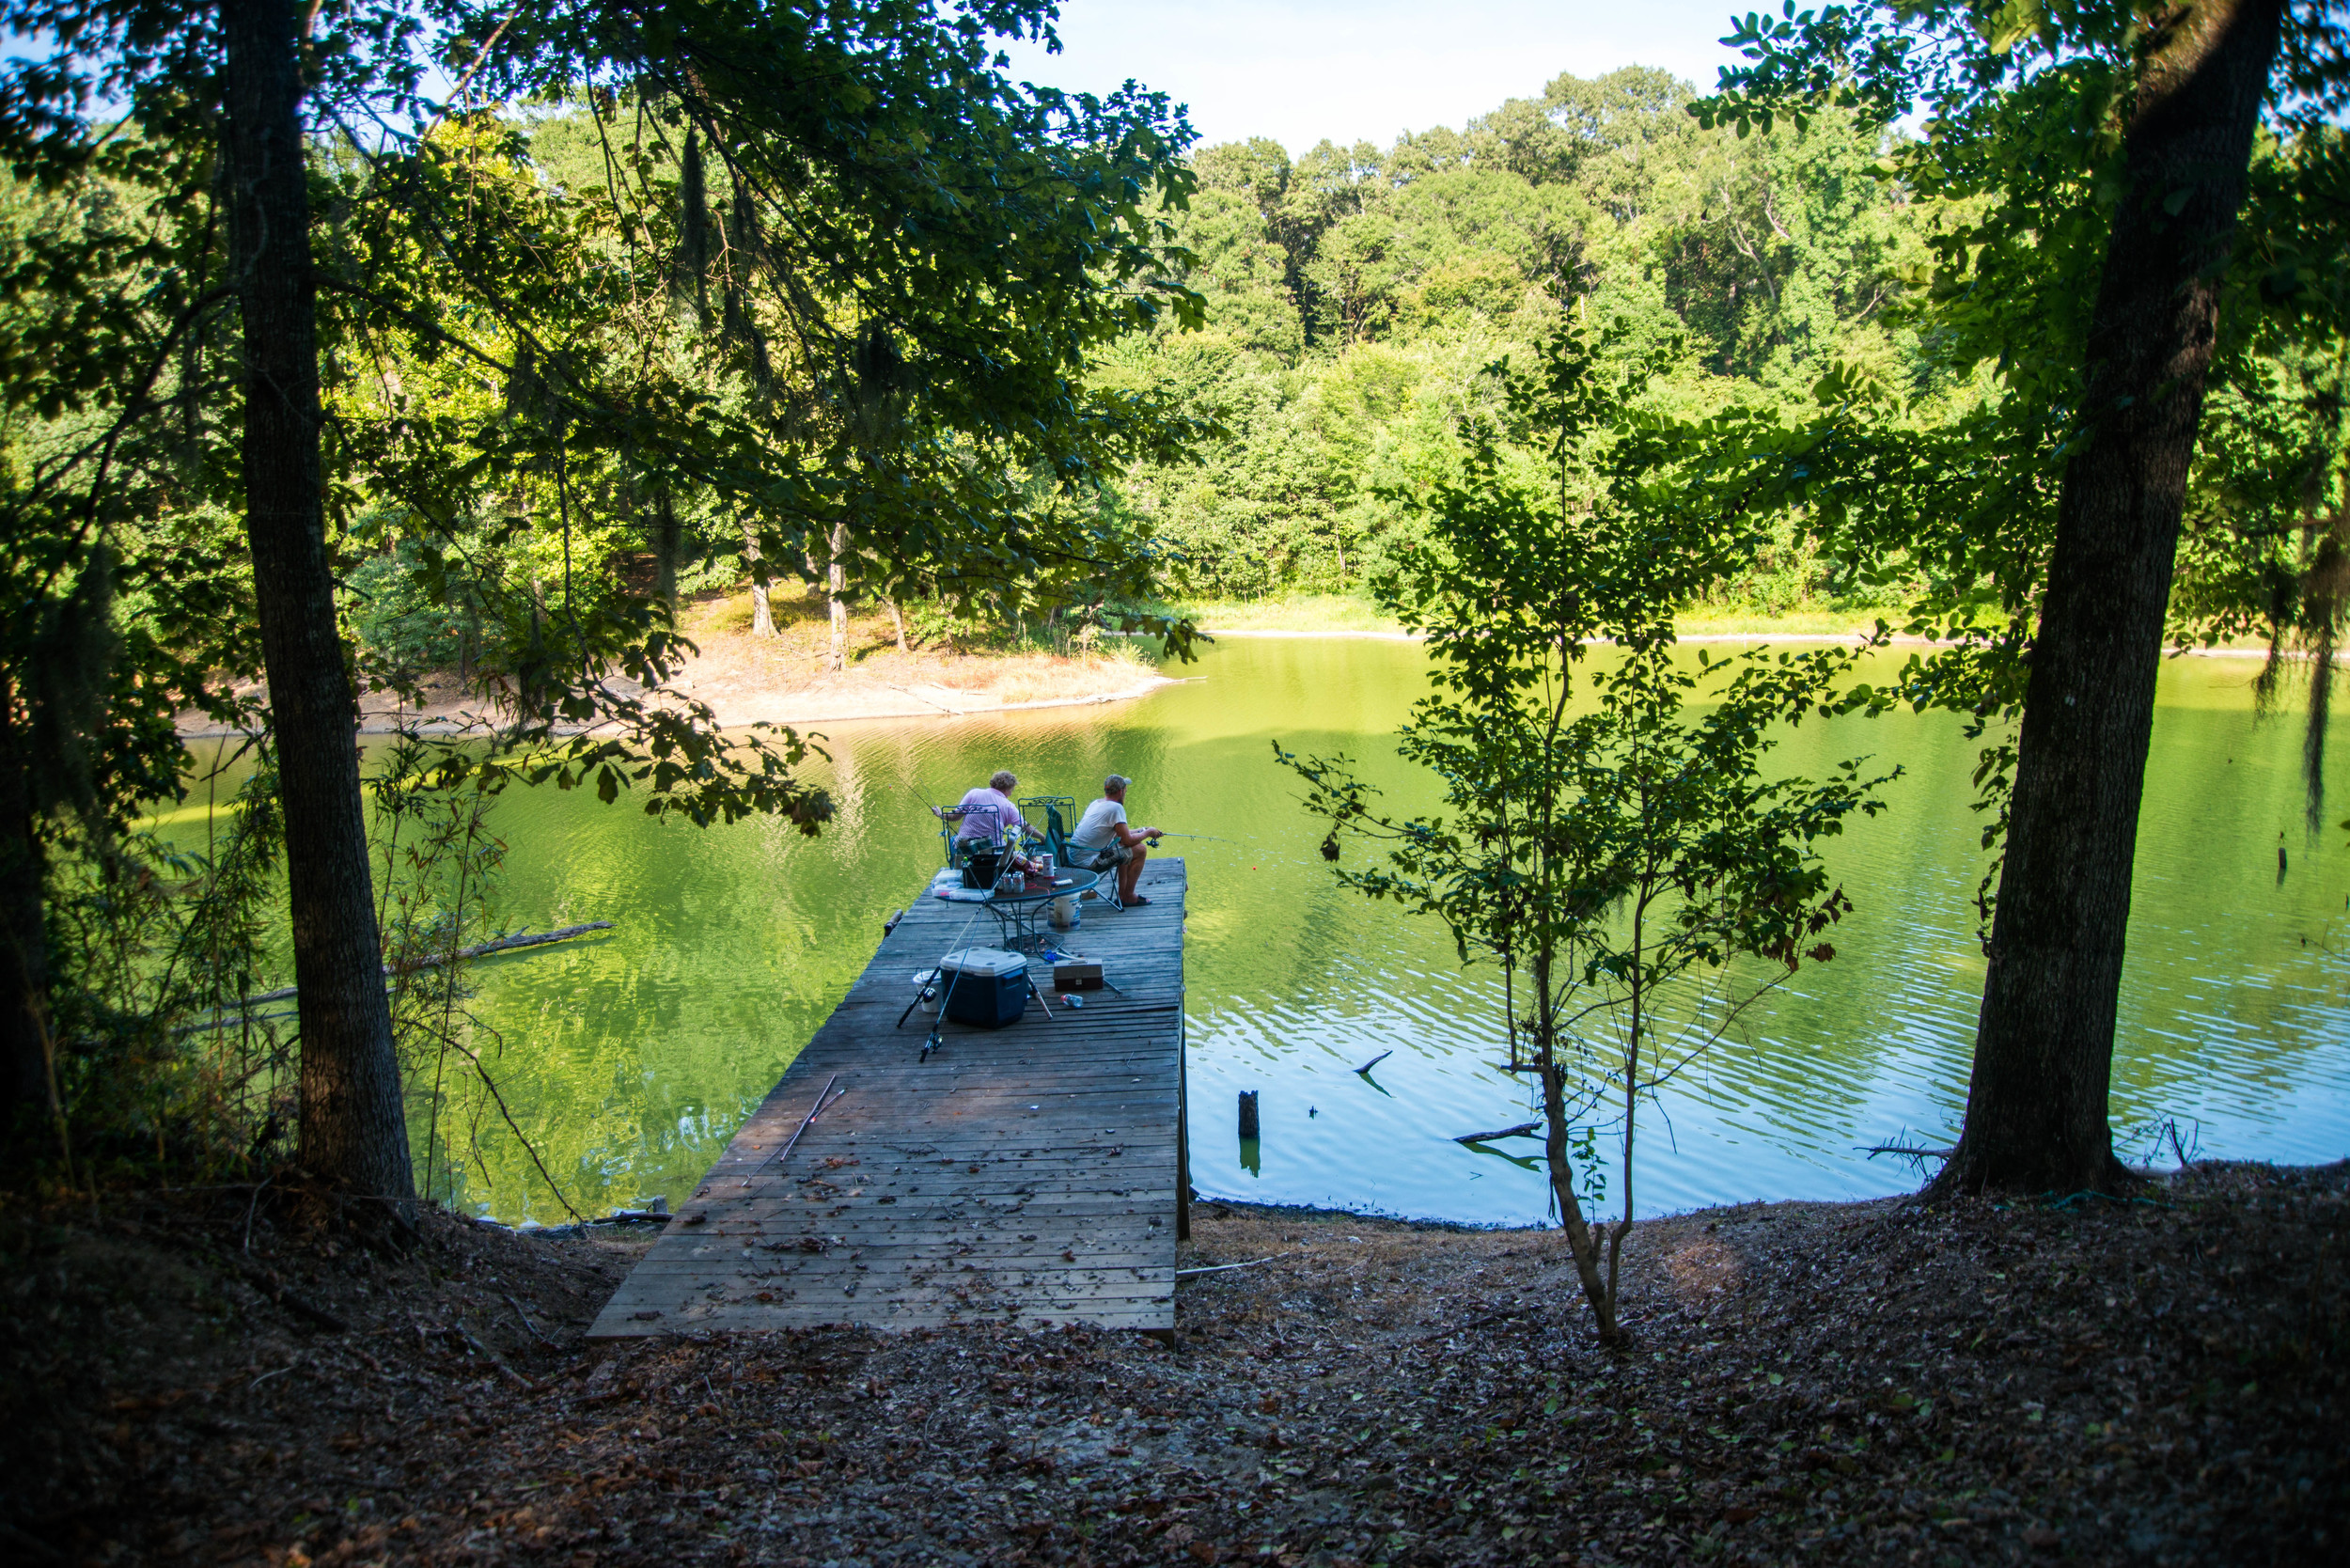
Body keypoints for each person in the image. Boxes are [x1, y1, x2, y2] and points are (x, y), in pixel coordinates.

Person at [1070, 774, 1158, 906]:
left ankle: (1123, 895)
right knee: (1140, 850)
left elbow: (1119, 836)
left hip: (1075, 857)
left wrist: (1142, 830)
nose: (1126, 792)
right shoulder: (1116, 808)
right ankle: (1127, 896)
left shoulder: (1096, 803)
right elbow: (1127, 841)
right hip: (1088, 863)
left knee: (1122, 848)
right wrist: (1149, 832)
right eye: (1125, 789)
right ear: (1121, 791)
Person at [936, 770, 1027, 850]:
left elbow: (954, 816)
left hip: (966, 847)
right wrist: (1042, 837)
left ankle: (958, 865)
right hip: (992, 849)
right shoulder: (1008, 806)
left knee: (954, 839)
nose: (1010, 794)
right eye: (1011, 790)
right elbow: (1025, 827)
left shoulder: (974, 793)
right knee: (1003, 842)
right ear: (1006, 789)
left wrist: (940, 814)